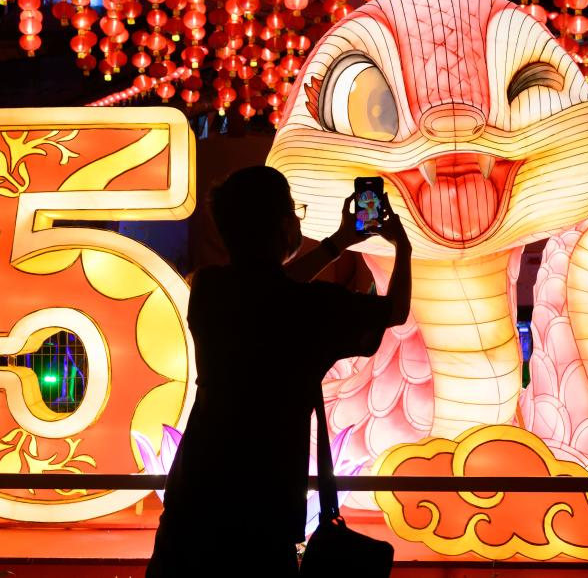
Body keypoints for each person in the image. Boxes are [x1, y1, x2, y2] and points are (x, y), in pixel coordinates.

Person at [146, 166, 412, 578]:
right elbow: (394, 311)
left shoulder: (210, 290)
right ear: (283, 226)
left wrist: (337, 244)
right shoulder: (312, 308)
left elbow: (264, 291)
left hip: (193, 501)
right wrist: (403, 248)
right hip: (265, 511)